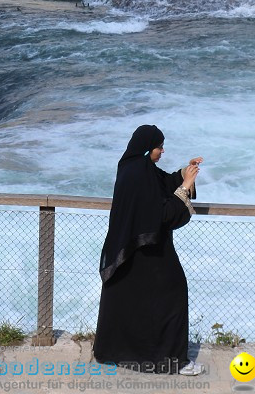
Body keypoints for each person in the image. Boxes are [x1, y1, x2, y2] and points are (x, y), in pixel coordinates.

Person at [93, 124, 202, 376]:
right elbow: (163, 214)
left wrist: (186, 172)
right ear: (147, 149)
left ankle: (115, 352)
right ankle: (173, 362)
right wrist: (185, 187)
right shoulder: (140, 173)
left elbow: (162, 182)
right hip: (147, 251)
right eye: (159, 146)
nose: (162, 151)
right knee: (173, 294)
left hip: (131, 249)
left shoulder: (133, 166)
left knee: (129, 302)